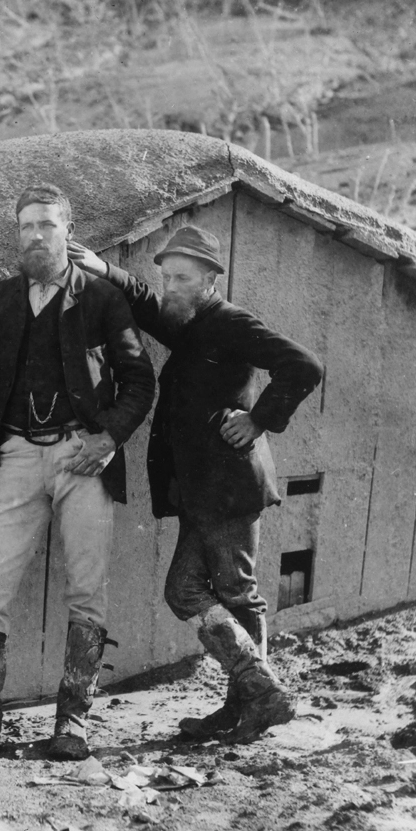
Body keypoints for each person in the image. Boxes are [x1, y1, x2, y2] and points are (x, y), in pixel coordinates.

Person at [68, 226, 323, 744]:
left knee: (236, 593)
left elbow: (304, 364)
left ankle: (258, 698)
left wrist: (259, 420)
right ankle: (250, 697)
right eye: (167, 277)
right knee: (185, 590)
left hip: (229, 486)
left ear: (210, 280)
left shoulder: (229, 322)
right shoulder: (190, 322)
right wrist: (102, 268)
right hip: (203, 489)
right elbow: (145, 303)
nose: (170, 287)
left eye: (182, 277)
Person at [0, 183, 156, 759]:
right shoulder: (5, 298)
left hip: (81, 458)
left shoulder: (100, 297)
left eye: (47, 224)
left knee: (86, 591)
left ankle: (73, 725)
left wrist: (108, 437)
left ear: (68, 231)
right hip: (16, 457)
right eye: (26, 227)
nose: (36, 235)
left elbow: (142, 382)